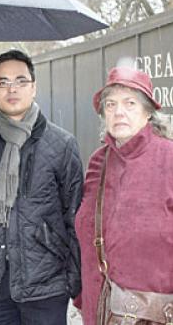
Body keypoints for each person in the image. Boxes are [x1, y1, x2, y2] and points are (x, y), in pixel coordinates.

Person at [0, 49, 84, 324]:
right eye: (3, 82)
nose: (12, 89)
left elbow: (75, 217)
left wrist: (75, 280)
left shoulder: (62, 144)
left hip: (45, 285)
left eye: (21, 81)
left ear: (33, 87)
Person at [74, 66, 173, 324]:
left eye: (130, 103)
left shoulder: (169, 159)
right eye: (110, 104)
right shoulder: (99, 162)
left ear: (148, 111)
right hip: (101, 309)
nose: (119, 111)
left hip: (153, 315)